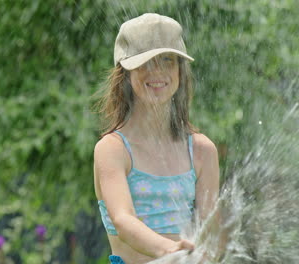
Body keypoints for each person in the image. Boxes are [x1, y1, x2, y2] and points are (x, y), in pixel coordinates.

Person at [93, 13, 220, 264]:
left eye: (167, 60)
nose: (158, 72)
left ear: (180, 72)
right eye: (146, 63)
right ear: (124, 74)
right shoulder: (113, 149)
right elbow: (123, 220)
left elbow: (209, 235)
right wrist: (169, 251)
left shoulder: (202, 151)